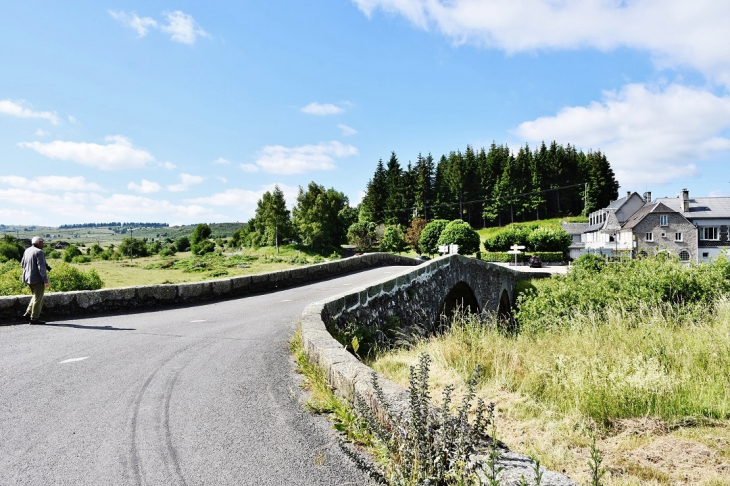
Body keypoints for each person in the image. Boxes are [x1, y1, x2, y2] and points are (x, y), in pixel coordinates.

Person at [21, 236, 50, 324]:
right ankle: (34, 318)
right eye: (42, 242)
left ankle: (27, 314)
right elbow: (41, 268)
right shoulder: (39, 252)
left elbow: (22, 264)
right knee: (39, 299)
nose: (43, 243)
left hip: (27, 278)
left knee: (35, 296)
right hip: (37, 279)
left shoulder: (27, 250)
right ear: (39, 242)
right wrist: (45, 280)